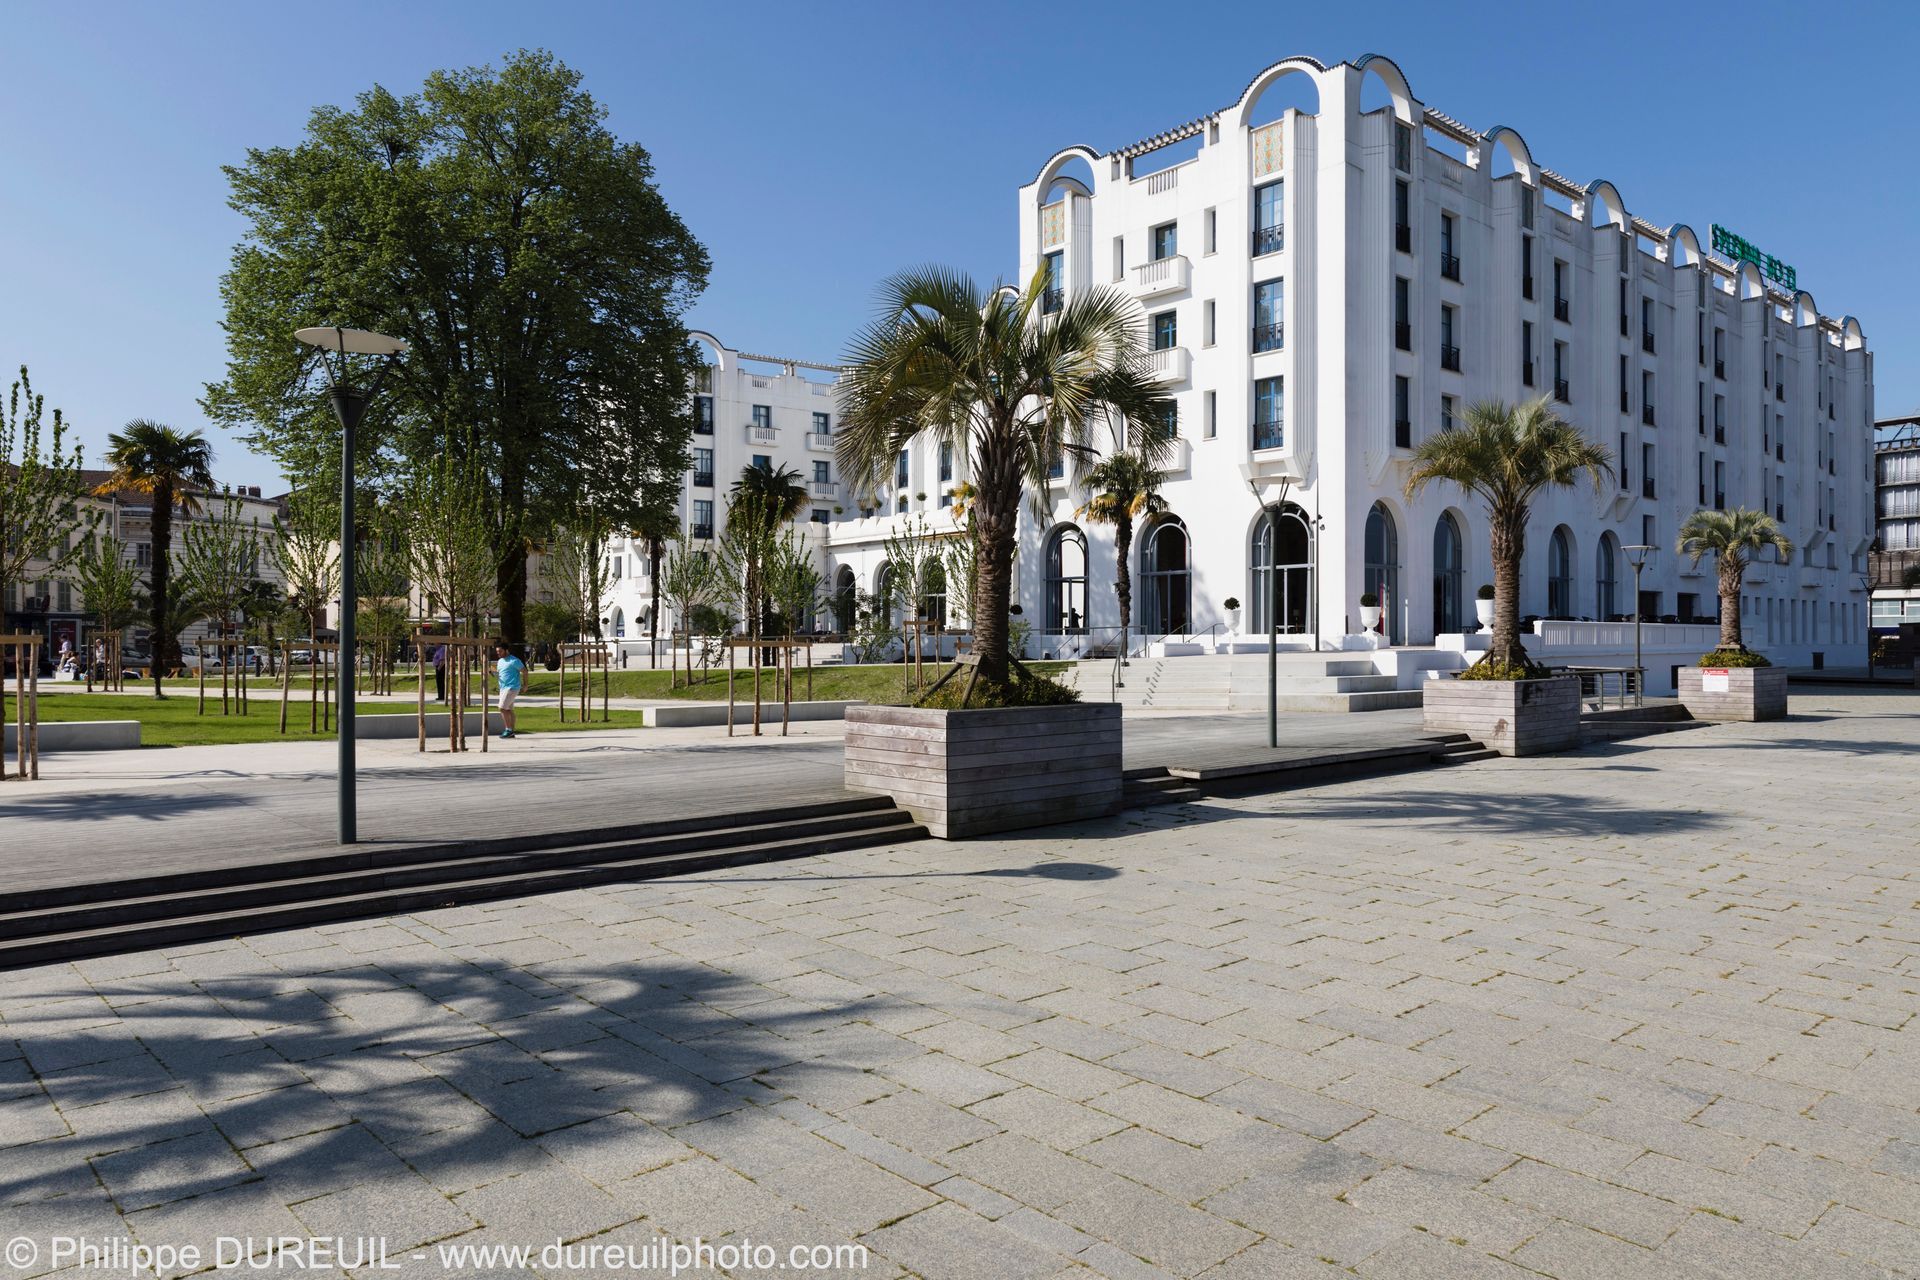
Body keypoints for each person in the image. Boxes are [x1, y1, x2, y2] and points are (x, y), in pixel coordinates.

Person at [494, 641, 526, 739]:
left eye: (500, 651)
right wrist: (493, 673)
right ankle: (511, 730)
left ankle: (508, 730)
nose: (498, 653)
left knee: (502, 708)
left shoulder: (514, 660)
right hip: (503, 688)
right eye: (497, 652)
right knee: (509, 709)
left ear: (506, 650)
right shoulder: (500, 661)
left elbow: (525, 671)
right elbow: (501, 674)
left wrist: (525, 685)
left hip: (512, 687)